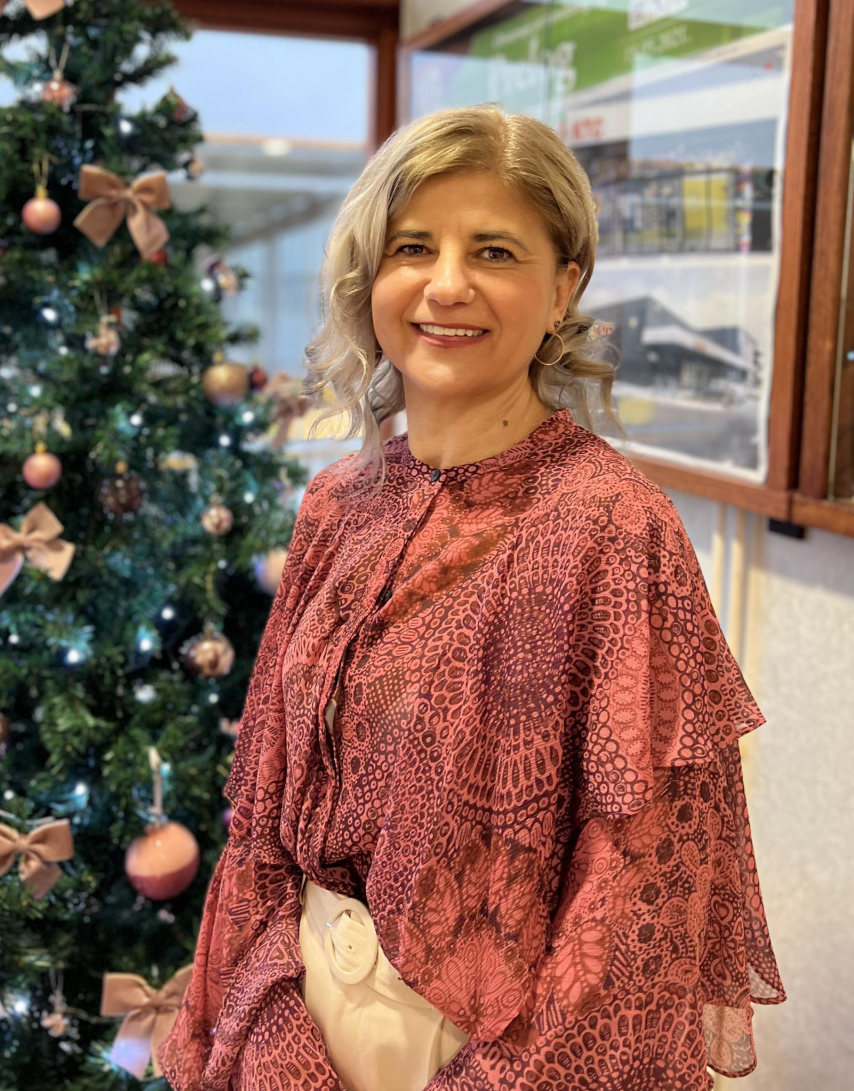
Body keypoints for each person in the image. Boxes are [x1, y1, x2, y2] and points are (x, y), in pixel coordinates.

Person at [159, 106, 785, 1091]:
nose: (446, 284)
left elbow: (639, 896)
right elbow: (266, 805)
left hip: (481, 1051)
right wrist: (257, 1011)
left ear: (563, 283)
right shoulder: (337, 505)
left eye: (493, 250)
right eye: (414, 247)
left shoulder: (613, 528)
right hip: (290, 1008)